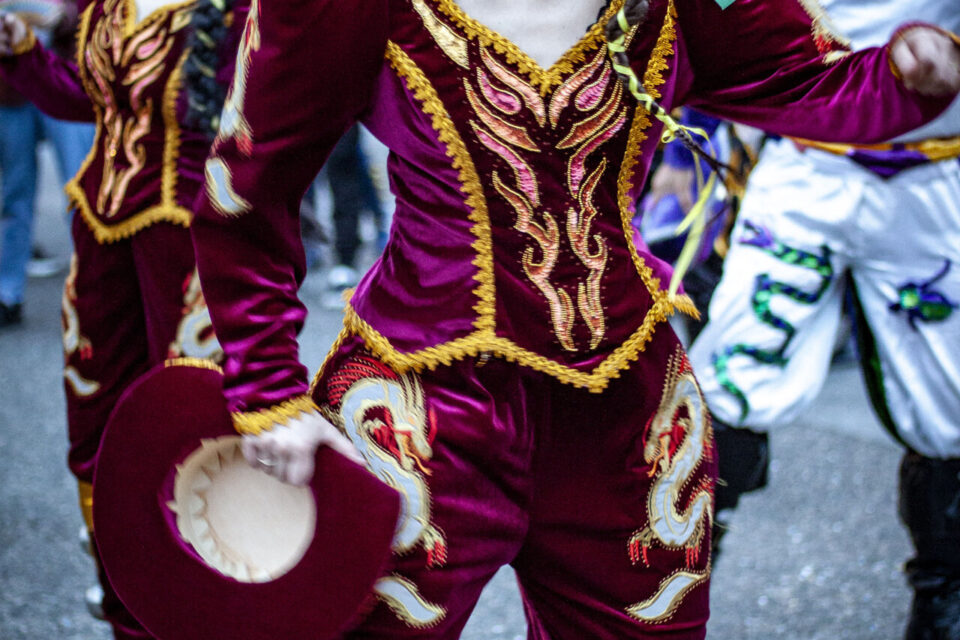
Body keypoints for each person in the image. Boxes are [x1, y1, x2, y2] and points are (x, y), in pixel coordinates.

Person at [191, 0, 960, 636]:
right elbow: (247, 194)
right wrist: (270, 393)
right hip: (419, 414)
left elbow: (813, 82)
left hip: (630, 422)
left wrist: (909, 73)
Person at [686, 1, 960, 636]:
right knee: (726, 385)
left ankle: (944, 602)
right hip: (803, 163)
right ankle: (669, 596)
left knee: (950, 410)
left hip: (935, 174)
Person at [0, 1, 246, 636]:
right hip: (101, 237)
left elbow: (277, 122)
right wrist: (22, 52)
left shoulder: (241, 10)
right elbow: (86, 99)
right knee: (98, 423)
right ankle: (123, 595)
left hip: (187, 240)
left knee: (188, 430)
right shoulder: (107, 5)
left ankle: (196, 603)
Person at [0, 0, 92, 327]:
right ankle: (7, 293)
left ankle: (94, 290)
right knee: (15, 193)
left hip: (69, 69)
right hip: (11, 86)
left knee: (83, 190)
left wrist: (66, 15)